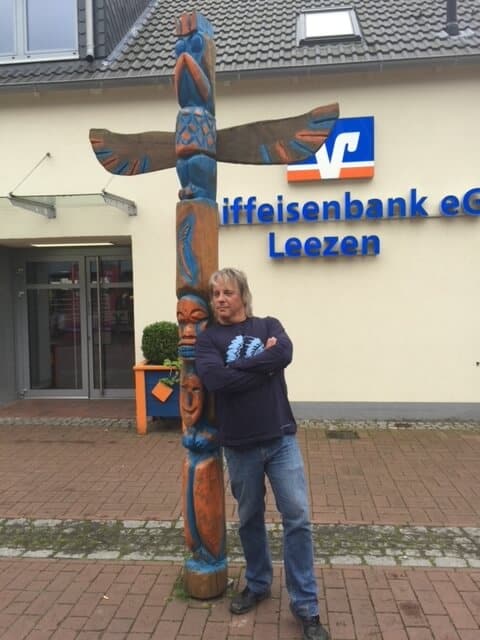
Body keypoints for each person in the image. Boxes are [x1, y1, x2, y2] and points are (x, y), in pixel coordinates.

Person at [195, 267, 328, 640]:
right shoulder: (208, 340)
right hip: (239, 446)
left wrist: (236, 368)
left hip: (280, 439)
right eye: (215, 294)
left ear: (243, 296)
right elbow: (216, 380)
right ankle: (257, 583)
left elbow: (284, 353)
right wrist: (262, 368)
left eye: (227, 293)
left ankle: (306, 606)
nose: (220, 299)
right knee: (250, 518)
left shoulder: (269, 326)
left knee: (298, 517)